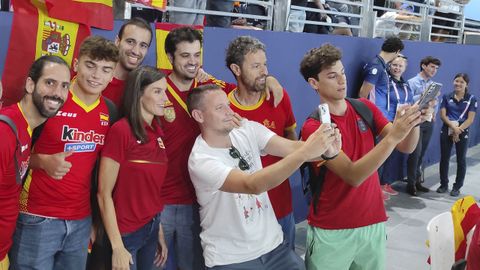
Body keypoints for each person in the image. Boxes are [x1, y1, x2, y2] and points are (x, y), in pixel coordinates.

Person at [160, 26, 284, 270]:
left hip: (206, 196)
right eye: (185, 56)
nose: (193, 62)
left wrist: (269, 78)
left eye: (197, 55)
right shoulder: (157, 90)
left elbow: (247, 83)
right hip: (164, 198)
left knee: (194, 263)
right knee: (158, 261)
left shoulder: (213, 87)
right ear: (170, 58)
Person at [299, 44, 432, 269]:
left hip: (373, 222)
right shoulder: (314, 128)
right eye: (332, 76)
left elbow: (405, 146)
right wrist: (394, 135)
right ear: (314, 83)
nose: (342, 80)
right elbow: (353, 175)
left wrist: (413, 120)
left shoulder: (364, 107)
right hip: (332, 230)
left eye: (342, 73)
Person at [187, 84, 340, 269]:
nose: (229, 112)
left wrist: (327, 150)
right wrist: (306, 152)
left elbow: (292, 148)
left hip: (274, 247)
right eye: (220, 108)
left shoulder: (247, 129)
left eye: (228, 104)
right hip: (231, 258)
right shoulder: (201, 159)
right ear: (199, 116)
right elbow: (252, 185)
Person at [9, 36, 118, 270]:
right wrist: (43, 162)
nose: (97, 75)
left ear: (112, 75)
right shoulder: (52, 99)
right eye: (91, 65)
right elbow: (14, 153)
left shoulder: (109, 111)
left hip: (80, 220)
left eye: (105, 70)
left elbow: (102, 172)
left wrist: (95, 220)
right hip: (36, 216)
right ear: (76, 64)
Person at [225, 36, 298, 249]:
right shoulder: (222, 104)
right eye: (256, 66)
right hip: (242, 216)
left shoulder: (279, 97)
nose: (264, 71)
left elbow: (292, 142)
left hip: (280, 207)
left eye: (265, 64)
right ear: (236, 69)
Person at [0, 55, 71, 270]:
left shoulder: (26, 127)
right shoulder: (5, 132)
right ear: (31, 85)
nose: (57, 93)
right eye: (50, 83)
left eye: (64, 86)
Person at [98, 66, 169, 270]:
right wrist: (118, 246)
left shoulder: (158, 132)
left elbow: (151, 190)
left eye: (165, 91)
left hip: (152, 227)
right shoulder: (121, 131)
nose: (165, 98)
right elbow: (103, 194)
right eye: (157, 91)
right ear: (139, 93)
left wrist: (159, 232)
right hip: (125, 234)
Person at [406, 56, 441, 196]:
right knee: (415, 153)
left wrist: (434, 112)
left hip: (428, 120)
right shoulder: (412, 82)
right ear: (423, 66)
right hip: (416, 121)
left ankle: (417, 181)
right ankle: (410, 184)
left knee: (422, 152)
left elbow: (435, 103)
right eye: (432, 67)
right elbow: (408, 101)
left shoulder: (433, 84)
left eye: (436, 68)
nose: (434, 70)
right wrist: (422, 97)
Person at [437, 73, 477, 197]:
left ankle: (457, 187)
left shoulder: (471, 99)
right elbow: (443, 115)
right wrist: (453, 127)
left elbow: (470, 119)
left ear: (466, 84)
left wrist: (458, 129)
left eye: (461, 82)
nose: (458, 84)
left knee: (461, 160)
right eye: (456, 81)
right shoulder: (446, 96)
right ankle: (444, 184)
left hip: (462, 131)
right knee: (444, 158)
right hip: (448, 128)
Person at [103, 17, 153, 108]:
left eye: (143, 45)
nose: (136, 51)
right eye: (130, 42)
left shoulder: (144, 88)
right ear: (117, 41)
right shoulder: (95, 78)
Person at [358, 36, 404, 102]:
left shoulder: (381, 66)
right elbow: (362, 94)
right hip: (373, 110)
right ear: (397, 51)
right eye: (399, 53)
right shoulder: (376, 66)